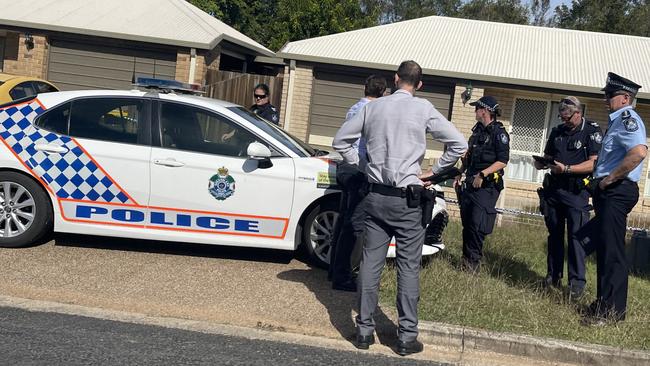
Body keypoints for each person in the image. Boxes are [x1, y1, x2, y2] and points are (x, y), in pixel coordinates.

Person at [333, 60, 467, 356]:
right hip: (408, 198)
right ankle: (406, 337)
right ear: (419, 84)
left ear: (395, 79)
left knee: (370, 263)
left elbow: (341, 141)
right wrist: (433, 172)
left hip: (376, 195)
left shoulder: (373, 107)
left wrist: (364, 166)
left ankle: (364, 331)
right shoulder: (423, 109)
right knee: (408, 267)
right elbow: (459, 144)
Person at [581, 72, 646, 325]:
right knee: (605, 249)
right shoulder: (617, 121)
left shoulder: (628, 119)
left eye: (610, 95)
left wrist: (609, 179)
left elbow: (638, 153)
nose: (606, 99)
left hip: (617, 191)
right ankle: (603, 304)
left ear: (625, 98)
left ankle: (612, 313)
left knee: (613, 253)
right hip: (609, 192)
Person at [534, 96, 602, 299]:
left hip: (576, 193)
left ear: (578, 113)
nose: (565, 121)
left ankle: (576, 284)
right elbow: (549, 156)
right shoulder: (557, 131)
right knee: (554, 236)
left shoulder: (591, 131)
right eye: (562, 117)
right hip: (554, 192)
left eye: (568, 118)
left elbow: (594, 163)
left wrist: (568, 169)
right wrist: (542, 163)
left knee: (576, 239)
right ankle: (552, 276)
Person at [329, 75, 387, 292]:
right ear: (383, 93)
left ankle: (334, 270)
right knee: (356, 225)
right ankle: (344, 276)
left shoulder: (354, 108)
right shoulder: (373, 112)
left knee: (344, 219)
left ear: (365, 88)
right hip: (358, 169)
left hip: (344, 166)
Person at [454, 96, 509, 273]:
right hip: (470, 184)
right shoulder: (477, 132)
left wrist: (483, 174)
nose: (474, 111)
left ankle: (474, 264)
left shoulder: (499, 134)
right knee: (468, 223)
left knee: (478, 224)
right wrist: (460, 172)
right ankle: (466, 262)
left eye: (476, 108)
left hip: (487, 187)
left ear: (484, 110)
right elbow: (469, 158)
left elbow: (502, 161)